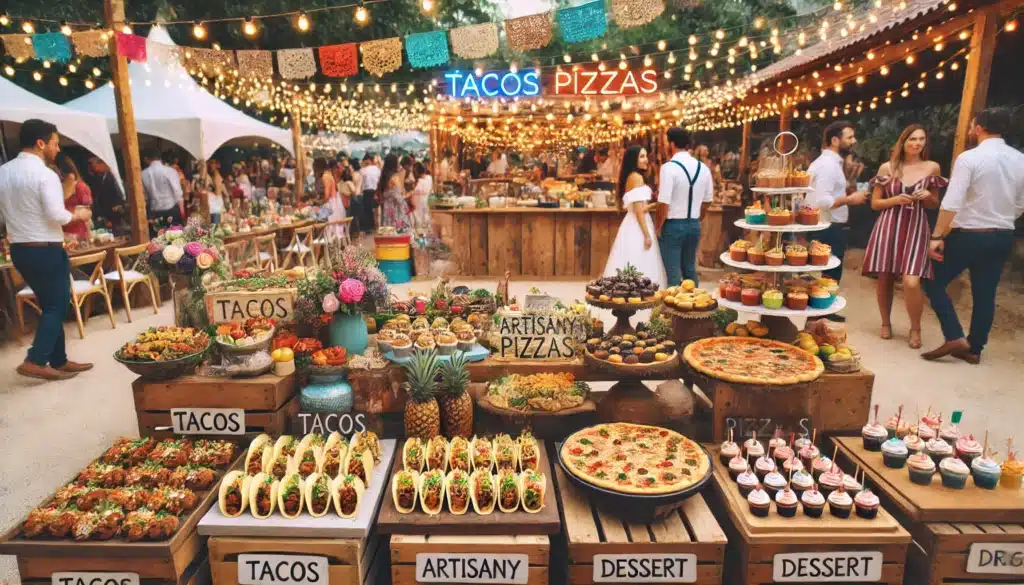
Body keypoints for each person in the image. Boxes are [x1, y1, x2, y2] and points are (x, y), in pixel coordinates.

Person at [923, 107, 1024, 364]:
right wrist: (1001, 220)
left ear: (979, 128)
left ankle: (955, 335)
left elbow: (952, 201)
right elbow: (1021, 203)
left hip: (969, 235)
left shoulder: (969, 158)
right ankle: (974, 348)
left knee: (932, 280)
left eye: (971, 126)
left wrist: (937, 235)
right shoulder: (1020, 159)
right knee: (985, 293)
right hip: (1002, 235)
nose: (969, 130)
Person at [0, 119, 94, 380]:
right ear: (41, 143)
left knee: (50, 303)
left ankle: (59, 360)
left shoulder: (3, 171)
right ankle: (36, 358)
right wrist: (79, 214)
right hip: (45, 248)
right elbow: (56, 214)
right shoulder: (45, 174)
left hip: (20, 249)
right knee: (57, 304)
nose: (57, 149)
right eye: (54, 143)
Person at [862, 124, 945, 349]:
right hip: (889, 224)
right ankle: (886, 322)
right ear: (903, 142)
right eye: (912, 139)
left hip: (917, 225)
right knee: (885, 276)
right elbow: (875, 203)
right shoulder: (887, 168)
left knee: (911, 280)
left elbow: (934, 203)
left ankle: (915, 327)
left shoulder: (932, 167)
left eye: (921, 139)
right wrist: (896, 200)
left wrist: (928, 195)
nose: (917, 143)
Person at [806, 121, 869, 320]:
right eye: (849, 137)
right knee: (829, 273)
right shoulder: (827, 165)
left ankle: (824, 311)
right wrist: (851, 199)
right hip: (828, 226)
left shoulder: (831, 163)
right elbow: (822, 200)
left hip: (828, 224)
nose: (854, 141)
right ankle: (820, 314)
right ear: (835, 140)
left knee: (830, 273)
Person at [655, 128, 714, 286]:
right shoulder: (704, 168)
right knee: (689, 269)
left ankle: (671, 309)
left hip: (673, 225)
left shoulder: (668, 168)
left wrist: (658, 227)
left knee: (672, 272)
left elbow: (664, 203)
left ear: (672, 144)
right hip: (694, 224)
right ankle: (694, 306)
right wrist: (698, 217)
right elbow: (708, 200)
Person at [604, 146, 667, 287]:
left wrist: (652, 206)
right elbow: (639, 211)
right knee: (641, 259)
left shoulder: (632, 177)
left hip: (633, 222)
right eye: (642, 157)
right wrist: (646, 234)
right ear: (634, 160)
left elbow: (639, 207)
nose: (646, 160)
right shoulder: (636, 178)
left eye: (645, 156)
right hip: (639, 225)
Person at [141, 149, 184, 234]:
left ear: (146, 159)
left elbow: (144, 197)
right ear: (160, 158)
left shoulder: (143, 174)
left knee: (157, 241)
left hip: (154, 213)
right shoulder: (170, 171)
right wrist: (182, 210)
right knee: (175, 238)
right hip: (171, 210)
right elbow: (177, 192)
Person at [86, 157, 127, 235]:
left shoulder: (114, 175)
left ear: (102, 164)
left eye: (94, 165)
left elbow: (120, 190)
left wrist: (119, 204)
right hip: (105, 211)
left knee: (118, 231)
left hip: (116, 210)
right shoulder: (99, 176)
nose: (93, 167)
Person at [57, 157, 93, 241]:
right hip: (61, 233)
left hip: (77, 234)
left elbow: (87, 212)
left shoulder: (80, 187)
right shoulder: (57, 188)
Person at [378, 154, 410, 232]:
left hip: (387, 209)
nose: (399, 164)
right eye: (397, 162)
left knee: (388, 234)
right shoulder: (395, 177)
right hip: (395, 211)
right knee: (397, 235)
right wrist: (410, 194)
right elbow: (399, 197)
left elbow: (383, 195)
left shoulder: (384, 177)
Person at [359, 154, 381, 234]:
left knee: (368, 210)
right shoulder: (377, 169)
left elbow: (361, 183)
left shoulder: (362, 170)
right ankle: (377, 226)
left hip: (367, 192)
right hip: (376, 191)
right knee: (377, 209)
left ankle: (370, 227)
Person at [410, 162, 433, 232]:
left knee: (418, 228)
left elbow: (412, 199)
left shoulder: (416, 183)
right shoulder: (429, 178)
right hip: (427, 206)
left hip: (417, 208)